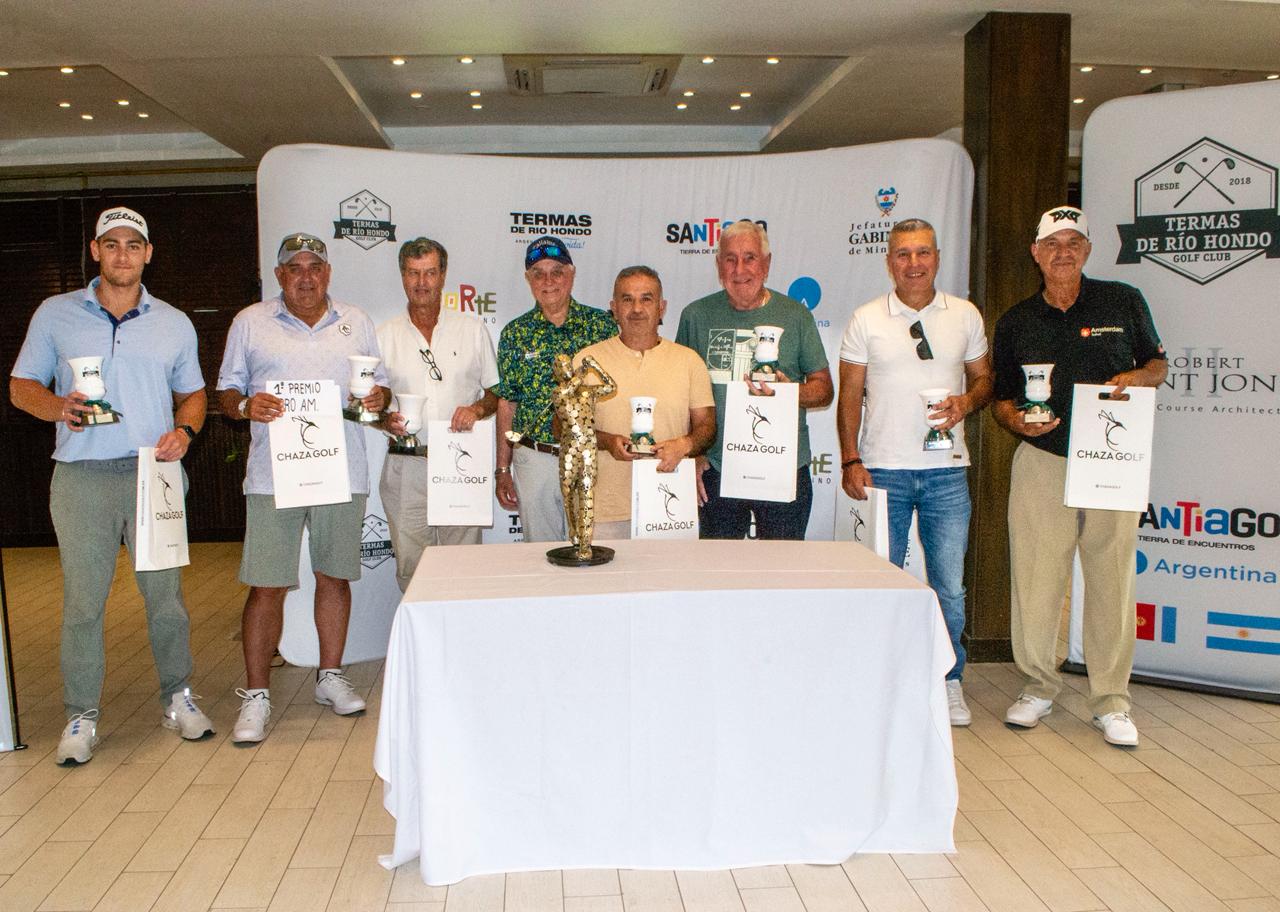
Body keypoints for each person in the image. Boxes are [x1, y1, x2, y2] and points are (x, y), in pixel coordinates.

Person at [10, 206, 212, 765]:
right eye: (112, 244)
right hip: (81, 478)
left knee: (165, 600)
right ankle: (81, 715)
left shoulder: (173, 322)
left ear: (149, 253)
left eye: (133, 244)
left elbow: (192, 393)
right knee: (82, 604)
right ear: (95, 251)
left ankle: (178, 698)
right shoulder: (56, 314)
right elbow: (20, 386)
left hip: (154, 476)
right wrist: (59, 407)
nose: (123, 253)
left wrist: (185, 430)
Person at [992, 205, 1167, 747]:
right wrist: (1014, 418)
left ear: (1087, 251)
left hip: (1113, 460)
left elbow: (1158, 364)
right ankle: (1038, 686)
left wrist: (1139, 376)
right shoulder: (1016, 320)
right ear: (1036, 253)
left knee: (1113, 576)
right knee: (1037, 577)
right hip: (1043, 460)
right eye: (1053, 243)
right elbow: (1001, 399)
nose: (1063, 252)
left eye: (1074, 242)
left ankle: (1111, 699)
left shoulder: (1122, 301)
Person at [216, 232, 388, 744]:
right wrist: (246, 406)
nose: (306, 275)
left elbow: (378, 390)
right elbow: (226, 391)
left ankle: (329, 676)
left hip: (341, 470)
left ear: (328, 272)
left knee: (333, 576)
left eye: (315, 265)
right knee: (267, 583)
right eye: (295, 267)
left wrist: (380, 393)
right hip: (274, 474)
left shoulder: (356, 322)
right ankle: (257, 694)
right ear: (280, 275)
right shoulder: (250, 323)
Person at [836, 218, 992, 726]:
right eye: (903, 254)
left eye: (922, 252)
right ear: (889, 261)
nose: (913, 263)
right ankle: (884, 677)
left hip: (947, 472)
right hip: (883, 470)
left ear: (937, 257)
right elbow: (850, 396)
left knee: (948, 585)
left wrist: (966, 402)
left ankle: (947, 680)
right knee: (880, 580)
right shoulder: (866, 318)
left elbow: (984, 380)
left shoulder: (965, 315)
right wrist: (850, 459)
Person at [675, 219, 832, 539]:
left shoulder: (796, 316)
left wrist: (790, 393)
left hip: (783, 467)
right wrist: (693, 453)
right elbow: (679, 395)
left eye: (750, 258)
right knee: (718, 575)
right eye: (730, 259)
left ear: (767, 263)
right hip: (716, 468)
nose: (739, 268)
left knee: (782, 574)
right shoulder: (696, 316)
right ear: (719, 265)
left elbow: (824, 390)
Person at [378, 237, 498, 591]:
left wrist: (477, 409)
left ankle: (461, 646)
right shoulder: (383, 336)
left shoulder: (472, 328)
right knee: (412, 570)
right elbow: (367, 403)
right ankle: (424, 646)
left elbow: (496, 393)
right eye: (414, 273)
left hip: (460, 462)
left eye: (430, 273)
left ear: (443, 275)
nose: (421, 283)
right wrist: (384, 419)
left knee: (465, 567)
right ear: (402, 275)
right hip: (406, 467)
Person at [574, 266, 716, 540]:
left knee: (667, 583)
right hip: (604, 510)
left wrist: (684, 445)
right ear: (613, 308)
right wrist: (607, 442)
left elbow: (707, 426)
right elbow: (563, 427)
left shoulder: (689, 361)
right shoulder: (587, 361)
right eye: (627, 299)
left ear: (661, 307)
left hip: (670, 507)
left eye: (646, 299)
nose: (636, 308)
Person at [495, 235, 616, 542]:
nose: (548, 280)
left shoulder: (602, 326)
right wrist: (502, 470)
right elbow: (507, 403)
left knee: (589, 545)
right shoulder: (515, 333)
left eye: (557, 271)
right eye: (538, 273)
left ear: (571, 274)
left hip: (589, 455)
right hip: (535, 459)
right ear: (528, 279)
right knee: (541, 556)